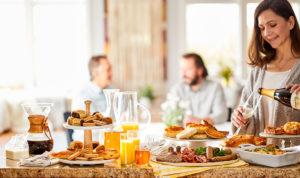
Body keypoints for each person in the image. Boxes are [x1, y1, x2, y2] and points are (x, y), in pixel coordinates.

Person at [231, 0, 300, 140]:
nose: (267, 33)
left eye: (272, 25)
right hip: (259, 155)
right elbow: (245, 112)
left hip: (293, 158)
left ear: (291, 22)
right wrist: (238, 118)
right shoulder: (258, 70)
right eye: (261, 28)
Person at [169, 52, 228, 126]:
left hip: (208, 134)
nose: (183, 74)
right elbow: (171, 115)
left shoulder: (215, 87)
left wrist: (201, 121)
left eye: (188, 69)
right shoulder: (177, 89)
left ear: (200, 70)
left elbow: (222, 114)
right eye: (182, 69)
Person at [71, 55, 113, 141]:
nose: (111, 73)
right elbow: (88, 126)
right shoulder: (82, 95)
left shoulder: (111, 90)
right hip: (88, 145)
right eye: (108, 70)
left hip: (109, 141)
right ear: (95, 72)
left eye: (111, 69)